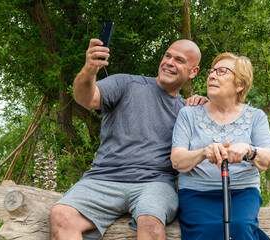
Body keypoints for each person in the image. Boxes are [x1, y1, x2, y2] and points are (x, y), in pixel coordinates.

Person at [50, 38, 206, 240]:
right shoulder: (127, 83)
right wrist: (89, 70)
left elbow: (216, 132)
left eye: (179, 60)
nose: (169, 62)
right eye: (167, 55)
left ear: (193, 72)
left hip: (155, 183)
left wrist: (209, 107)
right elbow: (86, 98)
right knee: (61, 214)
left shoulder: (187, 111)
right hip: (103, 179)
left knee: (150, 220)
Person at [171, 52, 270, 239]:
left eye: (222, 71)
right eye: (211, 71)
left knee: (239, 226)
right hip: (196, 193)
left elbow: (268, 159)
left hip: (242, 192)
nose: (212, 75)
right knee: (207, 229)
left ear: (240, 84)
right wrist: (203, 152)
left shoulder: (256, 117)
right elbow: (177, 161)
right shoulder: (188, 114)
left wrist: (249, 150)